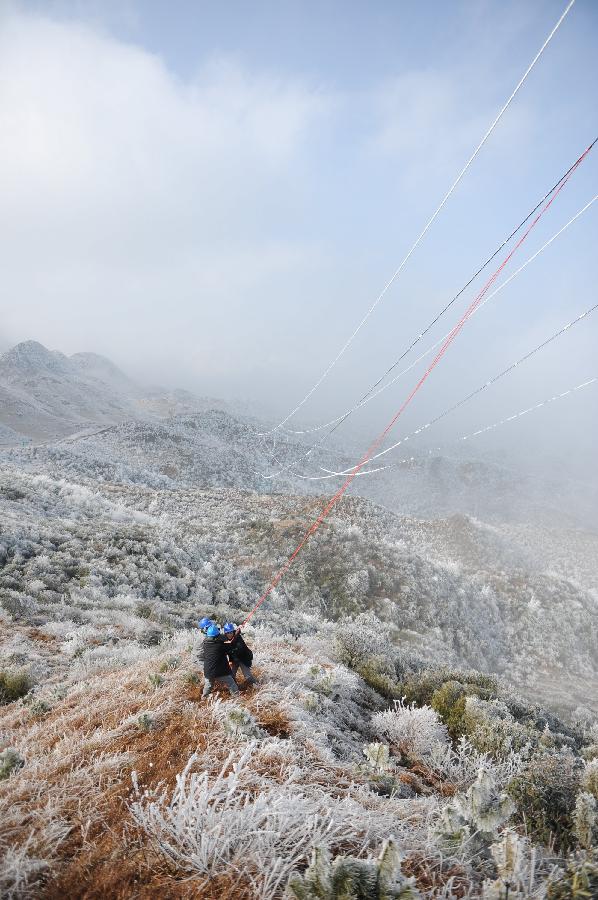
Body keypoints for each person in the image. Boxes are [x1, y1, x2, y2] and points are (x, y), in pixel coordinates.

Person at [198, 624, 240, 698]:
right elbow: (231, 645)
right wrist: (236, 635)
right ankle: (236, 696)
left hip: (208, 671)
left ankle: (204, 697)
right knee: (231, 682)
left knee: (209, 684)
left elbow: (222, 640)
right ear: (216, 637)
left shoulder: (205, 644)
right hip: (219, 672)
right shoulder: (220, 646)